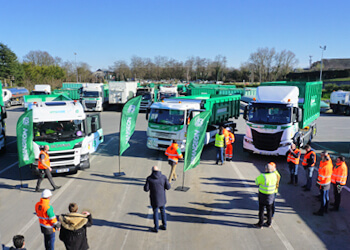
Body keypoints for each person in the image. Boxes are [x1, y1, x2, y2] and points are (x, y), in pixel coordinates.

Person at [144, 166, 171, 233]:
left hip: (154, 199)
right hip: (162, 198)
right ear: (159, 170)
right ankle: (164, 225)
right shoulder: (163, 177)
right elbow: (168, 187)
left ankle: (156, 227)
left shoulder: (149, 178)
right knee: (163, 211)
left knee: (155, 212)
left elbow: (146, 189)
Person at [253, 162, 278, 229]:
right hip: (271, 195)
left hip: (263, 195)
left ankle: (260, 223)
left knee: (261, 210)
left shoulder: (263, 176)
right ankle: (269, 223)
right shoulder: (275, 175)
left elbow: (256, 182)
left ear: (266, 169)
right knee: (269, 210)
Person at [313, 151, 333, 216]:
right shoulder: (329, 164)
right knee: (326, 196)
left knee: (323, 197)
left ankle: (321, 211)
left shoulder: (325, 167)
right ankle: (325, 209)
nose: (321, 158)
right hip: (327, 182)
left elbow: (321, 177)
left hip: (323, 183)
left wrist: (318, 180)